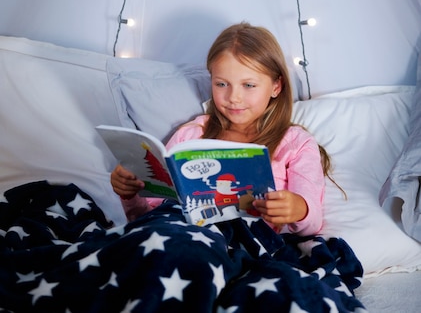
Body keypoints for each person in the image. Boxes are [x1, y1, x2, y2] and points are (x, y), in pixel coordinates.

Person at [111, 22, 329, 235]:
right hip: (180, 238)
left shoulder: (295, 143)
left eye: (249, 85)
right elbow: (147, 218)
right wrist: (130, 196)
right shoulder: (191, 134)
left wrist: (298, 209)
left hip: (248, 248)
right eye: (221, 84)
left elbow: (313, 222)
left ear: (276, 86)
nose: (233, 97)